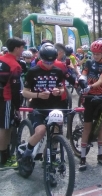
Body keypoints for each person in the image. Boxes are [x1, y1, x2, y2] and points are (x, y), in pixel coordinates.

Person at [18, 43, 65, 177]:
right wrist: (38, 95)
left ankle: (50, 157)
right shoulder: (33, 72)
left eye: (51, 62)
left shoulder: (57, 71)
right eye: (46, 62)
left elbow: (62, 88)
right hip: (37, 107)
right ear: (40, 58)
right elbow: (25, 93)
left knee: (56, 132)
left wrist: (58, 91)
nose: (49, 64)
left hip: (54, 107)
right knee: (41, 130)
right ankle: (27, 154)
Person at [77, 40, 102, 171]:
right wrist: (82, 81)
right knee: (87, 127)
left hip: (100, 97)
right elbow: (83, 74)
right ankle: (82, 158)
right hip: (89, 98)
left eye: (98, 54)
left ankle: (100, 156)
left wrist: (90, 86)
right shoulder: (89, 62)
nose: (95, 56)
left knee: (101, 127)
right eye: (94, 53)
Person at [0, 37, 25, 170]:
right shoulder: (15, 65)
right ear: (16, 48)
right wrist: (17, 107)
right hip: (6, 98)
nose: (23, 50)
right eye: (22, 48)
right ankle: (4, 159)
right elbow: (16, 90)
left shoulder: (1, 58)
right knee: (5, 128)